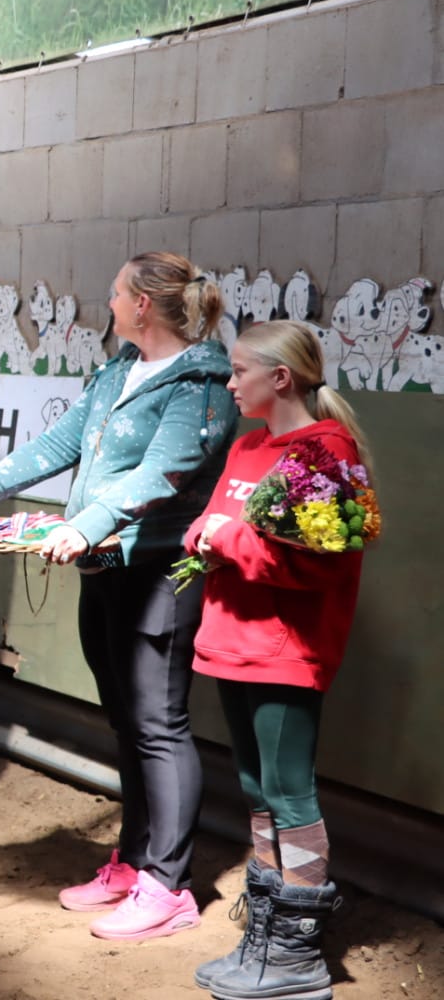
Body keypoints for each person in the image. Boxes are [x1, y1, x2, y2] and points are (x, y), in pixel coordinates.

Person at [0, 251, 238, 941]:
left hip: (160, 572)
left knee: (159, 724)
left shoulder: (203, 384)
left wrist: (85, 524)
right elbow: (53, 445)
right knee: (127, 720)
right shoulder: (119, 371)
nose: (109, 300)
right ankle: (135, 859)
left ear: (143, 305)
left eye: (116, 291)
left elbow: (163, 473)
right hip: (105, 567)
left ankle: (170, 886)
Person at [186, 321, 369, 1000]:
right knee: (257, 791)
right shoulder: (246, 448)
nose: (230, 382)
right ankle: (265, 935)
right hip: (232, 641)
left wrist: (227, 540)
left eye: (240, 371)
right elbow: (209, 525)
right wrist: (211, 536)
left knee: (290, 793)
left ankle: (298, 955)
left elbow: (319, 564)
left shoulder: (326, 453)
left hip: (285, 651)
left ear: (280, 378)